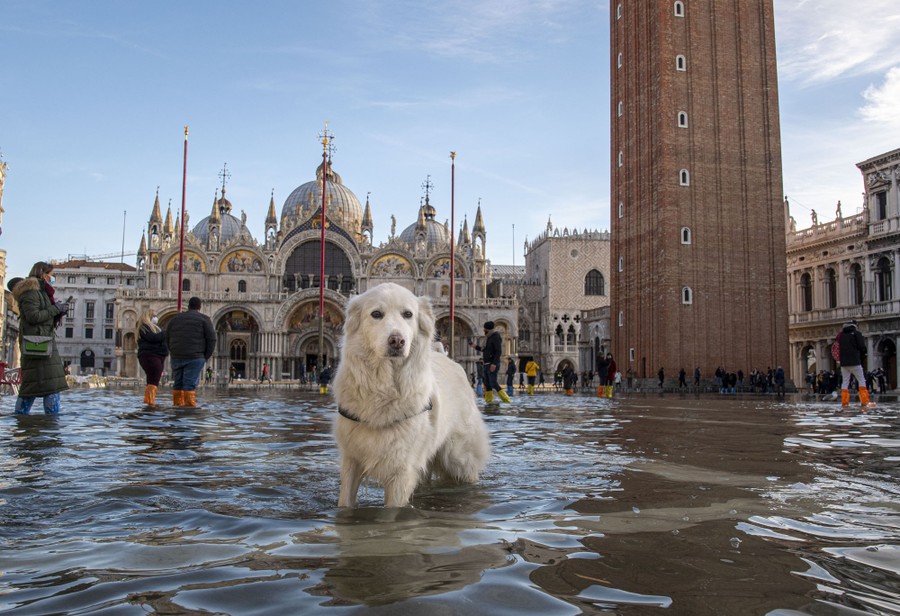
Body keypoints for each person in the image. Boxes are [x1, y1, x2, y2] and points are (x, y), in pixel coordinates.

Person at [11, 263, 69, 414]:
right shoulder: (31, 292)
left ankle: (27, 422)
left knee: (41, 385)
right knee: (45, 386)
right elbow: (33, 316)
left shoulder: (40, 292)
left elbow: (42, 315)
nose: (53, 278)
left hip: (42, 343)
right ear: (43, 274)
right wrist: (56, 309)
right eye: (51, 274)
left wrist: (58, 311)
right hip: (37, 344)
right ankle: (48, 425)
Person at [166, 296, 216, 407]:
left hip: (176, 356)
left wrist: (173, 351)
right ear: (199, 307)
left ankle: (177, 408)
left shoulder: (175, 318)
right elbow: (212, 339)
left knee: (177, 384)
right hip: (195, 357)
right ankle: (188, 412)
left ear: (188, 306)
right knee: (189, 385)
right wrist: (204, 357)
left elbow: (167, 336)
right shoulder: (204, 319)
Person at [837, 320, 876, 409]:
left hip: (844, 363)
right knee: (861, 380)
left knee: (845, 382)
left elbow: (837, 344)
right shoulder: (856, 333)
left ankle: (845, 402)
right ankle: (865, 402)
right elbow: (862, 346)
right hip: (854, 361)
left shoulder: (841, 335)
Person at [470, 321, 510, 403]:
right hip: (486, 363)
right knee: (487, 383)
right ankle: (489, 401)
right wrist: (474, 346)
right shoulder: (488, 337)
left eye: (484, 328)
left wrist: (494, 363)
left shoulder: (495, 336)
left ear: (487, 329)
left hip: (492, 364)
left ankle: (507, 400)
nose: (483, 330)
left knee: (493, 383)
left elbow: (498, 351)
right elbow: (484, 349)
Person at [136, 309, 167, 405]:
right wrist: (165, 332)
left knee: (153, 380)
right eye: (154, 316)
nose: (156, 318)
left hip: (157, 356)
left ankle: (149, 402)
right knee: (154, 380)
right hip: (150, 356)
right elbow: (153, 338)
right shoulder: (143, 327)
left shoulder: (154, 328)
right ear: (148, 316)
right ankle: (149, 403)